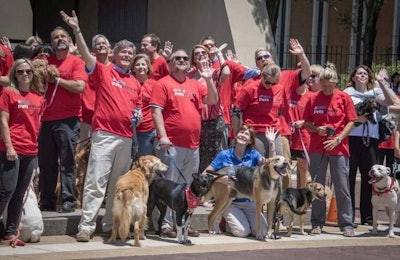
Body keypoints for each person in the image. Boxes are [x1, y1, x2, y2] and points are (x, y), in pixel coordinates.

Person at [60, 10, 142, 242]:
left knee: (117, 186)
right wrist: (76, 29)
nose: (127, 55)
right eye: (123, 52)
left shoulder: (136, 83)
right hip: (104, 134)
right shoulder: (104, 71)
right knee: (96, 182)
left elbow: (138, 113)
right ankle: (86, 226)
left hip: (126, 139)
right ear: (114, 54)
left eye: (130, 52)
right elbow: (86, 54)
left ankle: (109, 225)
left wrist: (138, 117)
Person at [150, 49, 218, 238]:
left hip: (193, 146)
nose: (181, 60)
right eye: (177, 58)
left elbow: (213, 100)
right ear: (170, 63)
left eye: (185, 58)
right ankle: (165, 225)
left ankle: (184, 224)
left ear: (189, 64)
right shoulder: (162, 83)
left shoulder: (195, 84)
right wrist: (162, 136)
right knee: (168, 186)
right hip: (171, 145)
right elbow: (156, 111)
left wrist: (209, 79)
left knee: (188, 189)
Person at [303, 62, 357, 237]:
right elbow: (307, 122)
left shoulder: (343, 97)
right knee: (318, 185)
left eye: (330, 86)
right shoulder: (312, 98)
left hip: (338, 146)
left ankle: (346, 223)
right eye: (324, 85)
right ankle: (317, 223)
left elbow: (351, 121)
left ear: (335, 83)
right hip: (317, 147)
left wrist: (339, 138)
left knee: (341, 185)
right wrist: (316, 129)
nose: (326, 89)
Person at [38, 25, 87, 213]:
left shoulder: (75, 62)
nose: (60, 39)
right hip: (46, 120)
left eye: (63, 36)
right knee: (46, 163)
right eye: (56, 37)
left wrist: (57, 80)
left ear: (69, 40)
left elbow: (79, 87)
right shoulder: (45, 62)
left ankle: (68, 200)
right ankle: (47, 201)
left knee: (67, 162)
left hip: (68, 120)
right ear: (51, 43)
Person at [202, 125, 277, 237]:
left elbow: (271, 163)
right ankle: (219, 222)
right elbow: (205, 174)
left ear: (250, 140)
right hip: (231, 201)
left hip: (249, 202)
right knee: (242, 232)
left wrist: (271, 143)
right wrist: (219, 178)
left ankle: (236, 222)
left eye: (247, 134)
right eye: (241, 132)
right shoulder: (224, 155)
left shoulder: (254, 155)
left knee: (262, 232)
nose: (243, 135)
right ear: (236, 136)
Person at [0, 59, 44, 246]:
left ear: (33, 74)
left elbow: (36, 125)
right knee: (6, 190)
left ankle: (10, 232)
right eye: (20, 71)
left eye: (28, 71)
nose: (24, 74)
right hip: (12, 149)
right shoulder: (9, 93)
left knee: (19, 193)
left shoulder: (38, 97)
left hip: (31, 151)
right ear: (14, 74)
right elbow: (3, 121)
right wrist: (9, 146)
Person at [343, 65, 394, 226]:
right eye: (359, 73)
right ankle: (348, 215)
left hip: (371, 140)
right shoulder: (347, 93)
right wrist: (356, 119)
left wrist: (382, 83)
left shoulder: (374, 92)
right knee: (349, 177)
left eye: (365, 73)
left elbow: (389, 101)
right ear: (353, 77)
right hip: (351, 138)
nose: (362, 75)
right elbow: (341, 114)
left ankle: (367, 216)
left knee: (370, 177)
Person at [188, 44, 230, 172]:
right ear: (193, 59)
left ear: (208, 56)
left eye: (203, 53)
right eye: (197, 53)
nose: (200, 55)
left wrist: (219, 54)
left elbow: (227, 73)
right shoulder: (189, 75)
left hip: (214, 120)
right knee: (197, 155)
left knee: (214, 155)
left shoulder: (214, 72)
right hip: (196, 121)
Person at [232, 62, 285, 159]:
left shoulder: (280, 89)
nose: (270, 86)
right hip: (255, 132)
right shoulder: (250, 88)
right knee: (258, 164)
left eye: (274, 83)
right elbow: (236, 112)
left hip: (274, 132)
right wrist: (236, 136)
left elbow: (280, 111)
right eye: (268, 82)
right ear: (262, 76)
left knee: (277, 164)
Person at [80, 34, 112, 142]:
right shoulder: (88, 67)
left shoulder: (116, 70)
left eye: (104, 43)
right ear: (93, 49)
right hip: (88, 118)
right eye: (98, 44)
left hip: (108, 120)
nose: (101, 45)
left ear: (109, 48)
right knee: (83, 154)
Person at [132, 53, 156, 157]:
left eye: (143, 64)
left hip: (147, 130)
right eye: (137, 65)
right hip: (129, 129)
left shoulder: (154, 85)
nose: (141, 67)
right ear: (133, 68)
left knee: (143, 161)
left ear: (148, 68)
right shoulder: (129, 82)